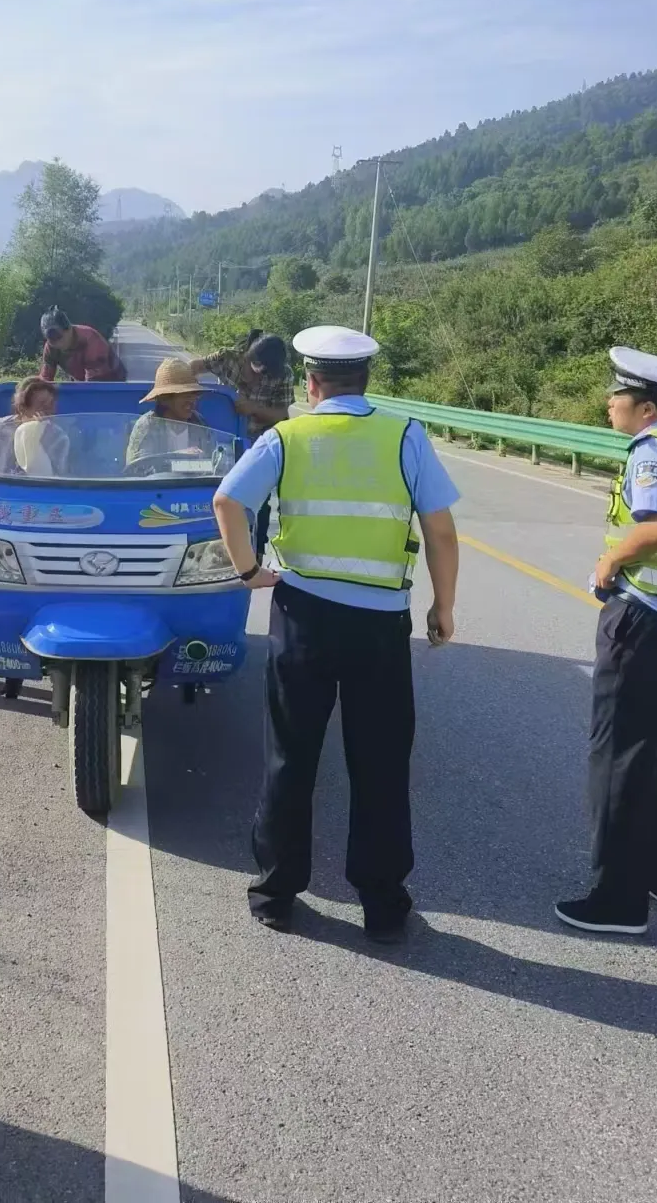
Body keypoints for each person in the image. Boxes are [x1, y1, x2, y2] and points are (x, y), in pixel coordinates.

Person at [212, 326, 461, 940]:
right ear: (366, 380)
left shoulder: (286, 437)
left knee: (290, 754)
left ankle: (275, 892)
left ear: (311, 382)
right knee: (378, 761)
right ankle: (381, 904)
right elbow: (442, 532)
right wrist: (443, 607)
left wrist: (248, 572)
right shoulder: (405, 435)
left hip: (301, 616)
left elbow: (227, 501)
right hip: (380, 623)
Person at [555, 347, 657, 936]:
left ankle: (616, 901)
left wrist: (608, 562)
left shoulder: (653, 454)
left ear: (646, 408)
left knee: (620, 757)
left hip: (645, 619)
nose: (608, 401)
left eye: (617, 395)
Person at [189, 332, 292, 558]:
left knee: (258, 504)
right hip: (219, 442)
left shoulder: (283, 375)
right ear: (248, 355)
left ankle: (255, 552)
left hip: (256, 445)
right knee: (216, 496)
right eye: (257, 365)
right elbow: (192, 367)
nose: (260, 373)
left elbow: (282, 414)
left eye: (266, 370)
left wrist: (253, 408)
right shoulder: (227, 359)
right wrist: (192, 393)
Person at [0, 377, 62, 476]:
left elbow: (60, 475)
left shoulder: (58, 437)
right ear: (22, 408)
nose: (48, 411)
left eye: (51, 405)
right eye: (42, 405)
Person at [126, 359, 209, 465]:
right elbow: (137, 468)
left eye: (194, 395)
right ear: (165, 399)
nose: (191, 401)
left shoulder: (199, 423)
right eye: (185, 395)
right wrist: (177, 456)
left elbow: (211, 463)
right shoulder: (147, 426)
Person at [40, 306, 127, 382]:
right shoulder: (50, 348)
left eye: (59, 337)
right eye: (52, 340)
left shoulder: (90, 340)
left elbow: (93, 383)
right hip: (84, 380)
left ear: (69, 329)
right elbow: (46, 378)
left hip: (114, 379)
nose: (57, 344)